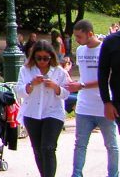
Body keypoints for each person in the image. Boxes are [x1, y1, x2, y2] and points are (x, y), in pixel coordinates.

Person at [67, 19, 118, 177]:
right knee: (80, 144)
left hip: (104, 105)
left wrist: (81, 85)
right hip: (84, 106)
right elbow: (83, 74)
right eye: (75, 37)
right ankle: (76, 174)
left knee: (111, 145)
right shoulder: (81, 51)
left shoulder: (105, 47)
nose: (77, 40)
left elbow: (107, 77)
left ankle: (113, 174)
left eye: (79, 36)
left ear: (90, 33)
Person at [16, 39, 69, 177]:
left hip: (53, 112)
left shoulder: (59, 72)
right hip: (32, 113)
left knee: (48, 148)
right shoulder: (25, 70)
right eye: (39, 58)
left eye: (46, 58)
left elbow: (66, 93)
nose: (42, 62)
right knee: (38, 149)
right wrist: (31, 84)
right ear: (33, 57)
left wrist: (55, 87)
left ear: (51, 57)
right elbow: (20, 91)